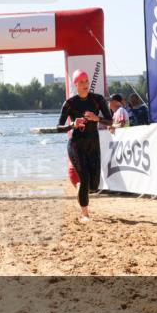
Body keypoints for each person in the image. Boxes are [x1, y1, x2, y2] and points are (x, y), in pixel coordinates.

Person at [56, 70, 114, 223]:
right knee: (85, 177)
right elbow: (58, 127)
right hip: (76, 145)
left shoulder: (97, 100)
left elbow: (110, 121)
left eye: (86, 81)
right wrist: (73, 125)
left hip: (93, 144)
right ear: (75, 84)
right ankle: (85, 214)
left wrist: (97, 118)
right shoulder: (70, 103)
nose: (85, 85)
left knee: (94, 185)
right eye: (81, 82)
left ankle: (82, 186)